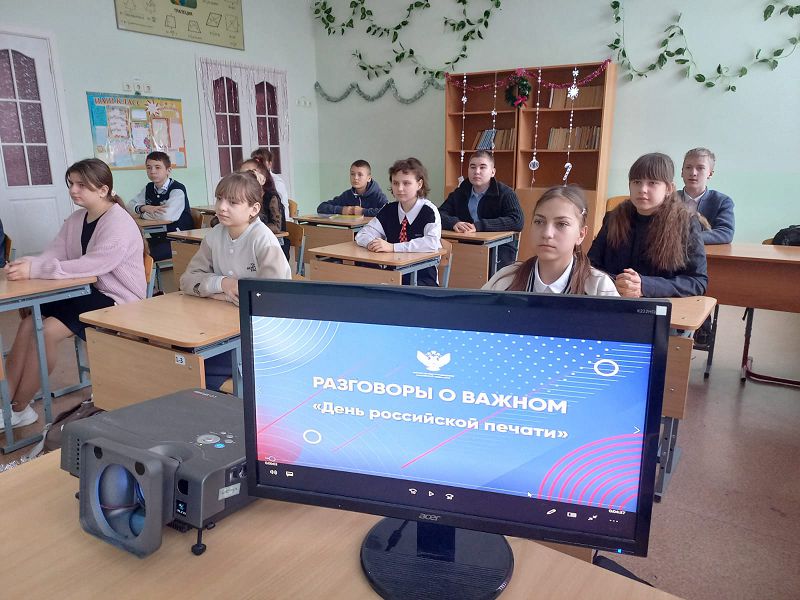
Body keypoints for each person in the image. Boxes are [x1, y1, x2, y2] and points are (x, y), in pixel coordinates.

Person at [2, 158, 146, 432]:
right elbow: (55, 252)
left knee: (45, 331)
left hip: (117, 299)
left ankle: (20, 409)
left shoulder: (118, 222)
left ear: (103, 190)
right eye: (71, 184)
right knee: (28, 323)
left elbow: (93, 265)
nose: (73, 190)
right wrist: (28, 265)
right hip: (86, 291)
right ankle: (6, 404)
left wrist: (37, 269)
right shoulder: (77, 219)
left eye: (81, 185)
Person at [180, 171, 291, 391]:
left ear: (254, 209)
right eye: (219, 199)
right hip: (221, 325)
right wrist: (223, 284)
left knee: (196, 366)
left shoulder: (263, 240)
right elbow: (187, 280)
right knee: (180, 357)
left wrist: (220, 295)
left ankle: (237, 395)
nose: (222, 207)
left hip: (261, 332)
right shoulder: (214, 235)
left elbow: (274, 297)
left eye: (232, 202)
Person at [588, 152, 707, 298]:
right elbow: (591, 265)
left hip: (661, 304)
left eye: (652, 183)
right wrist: (618, 283)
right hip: (614, 298)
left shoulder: (686, 223)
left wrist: (645, 286)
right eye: (637, 182)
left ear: (669, 189)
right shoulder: (614, 218)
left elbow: (697, 281)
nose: (642, 189)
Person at [483, 185, 618, 295]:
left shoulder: (599, 287)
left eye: (561, 224)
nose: (547, 234)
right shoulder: (505, 280)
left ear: (581, 234)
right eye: (539, 221)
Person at [355, 157, 441, 286]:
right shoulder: (389, 209)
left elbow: (432, 243)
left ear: (419, 184)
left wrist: (392, 247)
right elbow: (362, 234)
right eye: (395, 183)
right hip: (392, 275)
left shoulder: (429, 211)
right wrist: (373, 244)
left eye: (406, 183)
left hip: (422, 278)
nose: (400, 188)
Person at [438, 150, 524, 270]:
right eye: (472, 167)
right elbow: (438, 215)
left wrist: (480, 226)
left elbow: (517, 221)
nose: (476, 171)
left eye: (482, 167)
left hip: (499, 248)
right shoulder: (460, 192)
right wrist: (454, 223)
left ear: (492, 172)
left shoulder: (505, 193)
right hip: (466, 246)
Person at [128, 151, 193, 261]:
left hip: (178, 239)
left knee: (143, 256)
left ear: (168, 170)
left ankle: (149, 272)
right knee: (131, 249)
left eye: (157, 167)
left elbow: (166, 216)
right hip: (159, 237)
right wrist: (144, 208)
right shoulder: (149, 187)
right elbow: (130, 207)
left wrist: (142, 214)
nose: (152, 171)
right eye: (149, 168)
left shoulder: (177, 189)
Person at [679, 147, 735, 245]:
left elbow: (725, 233)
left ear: (710, 174)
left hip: (708, 253)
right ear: (682, 172)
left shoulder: (722, 201)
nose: (693, 173)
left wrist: (687, 238)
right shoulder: (668, 200)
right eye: (688, 167)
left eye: (700, 168)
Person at [238, 157, 289, 260]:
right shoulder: (241, 198)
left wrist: (248, 228)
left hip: (273, 246)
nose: (244, 179)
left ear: (262, 178)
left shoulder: (271, 197)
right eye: (241, 176)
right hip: (248, 243)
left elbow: (277, 227)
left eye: (250, 175)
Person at [316, 159, 388, 217]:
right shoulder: (347, 195)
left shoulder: (378, 196)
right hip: (352, 230)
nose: (355, 178)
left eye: (360, 174)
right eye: (352, 174)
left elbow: (387, 212)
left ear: (369, 178)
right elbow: (321, 207)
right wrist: (341, 210)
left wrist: (362, 211)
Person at [250, 148, 289, 221]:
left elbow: (284, 207)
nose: (259, 166)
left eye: (262, 162)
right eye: (255, 163)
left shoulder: (277, 182)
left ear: (270, 164)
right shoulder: (251, 180)